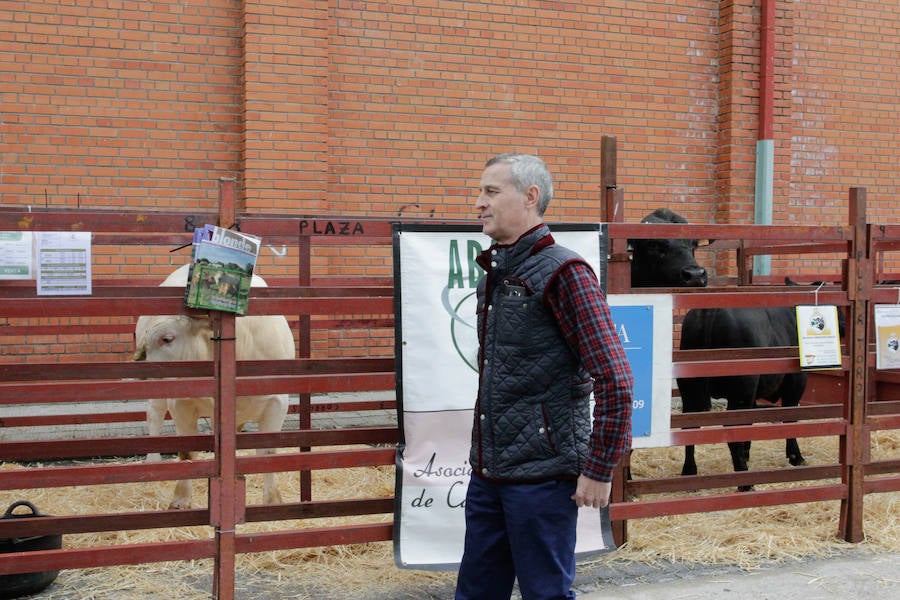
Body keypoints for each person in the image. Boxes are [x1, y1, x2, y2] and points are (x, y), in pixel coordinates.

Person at [454, 153, 634, 600]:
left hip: (543, 480)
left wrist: (599, 469)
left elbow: (615, 378)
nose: (479, 202)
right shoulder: (497, 274)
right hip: (490, 474)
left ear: (530, 197)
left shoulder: (565, 273)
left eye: (491, 192)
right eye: (480, 192)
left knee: (546, 595)